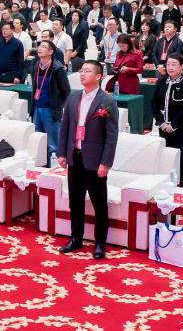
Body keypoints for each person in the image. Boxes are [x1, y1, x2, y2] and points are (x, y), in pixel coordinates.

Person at [56, 60, 118, 259]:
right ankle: (76, 238)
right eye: (82, 70)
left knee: (99, 203)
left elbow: (111, 136)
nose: (82, 74)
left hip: (95, 160)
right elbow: (65, 126)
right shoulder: (73, 97)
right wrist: (62, 153)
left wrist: (105, 163)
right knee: (75, 200)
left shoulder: (107, 101)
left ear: (99, 76)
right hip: (75, 156)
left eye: (88, 71)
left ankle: (100, 243)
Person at [153, 55, 183, 187]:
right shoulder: (161, 82)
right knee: (165, 158)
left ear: (181, 66)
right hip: (163, 128)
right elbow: (154, 104)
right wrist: (161, 122)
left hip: (181, 129)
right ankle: (165, 185)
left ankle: (182, 186)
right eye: (168, 64)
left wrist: (173, 125)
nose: (170, 67)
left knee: (181, 158)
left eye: (174, 64)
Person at [28, 40, 70, 163]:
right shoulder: (36, 65)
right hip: (37, 108)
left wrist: (58, 105)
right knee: (39, 141)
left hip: (50, 110)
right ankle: (41, 166)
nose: (40, 48)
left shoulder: (57, 69)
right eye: (39, 46)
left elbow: (66, 91)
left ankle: (56, 167)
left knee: (53, 143)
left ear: (51, 51)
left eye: (44, 47)